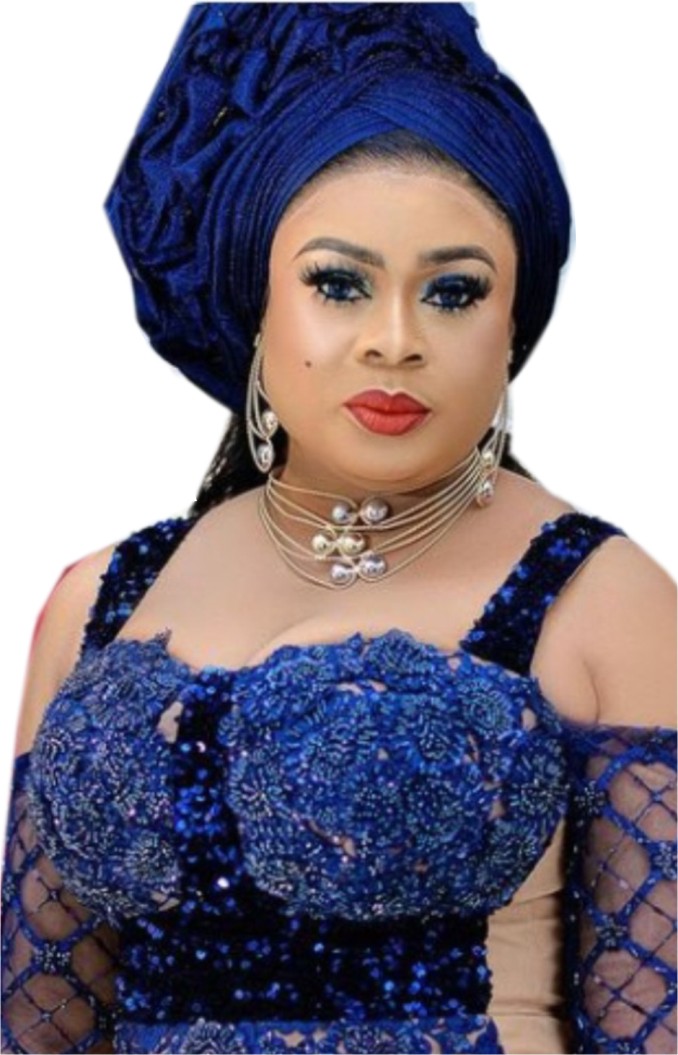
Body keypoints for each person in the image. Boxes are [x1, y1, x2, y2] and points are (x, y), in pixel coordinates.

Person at [1, 3, 676, 1054]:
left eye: (453, 292)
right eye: (338, 283)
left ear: (512, 326)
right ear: (257, 305)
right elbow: (40, 1018)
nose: (395, 340)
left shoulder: (602, 596)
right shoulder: (100, 596)